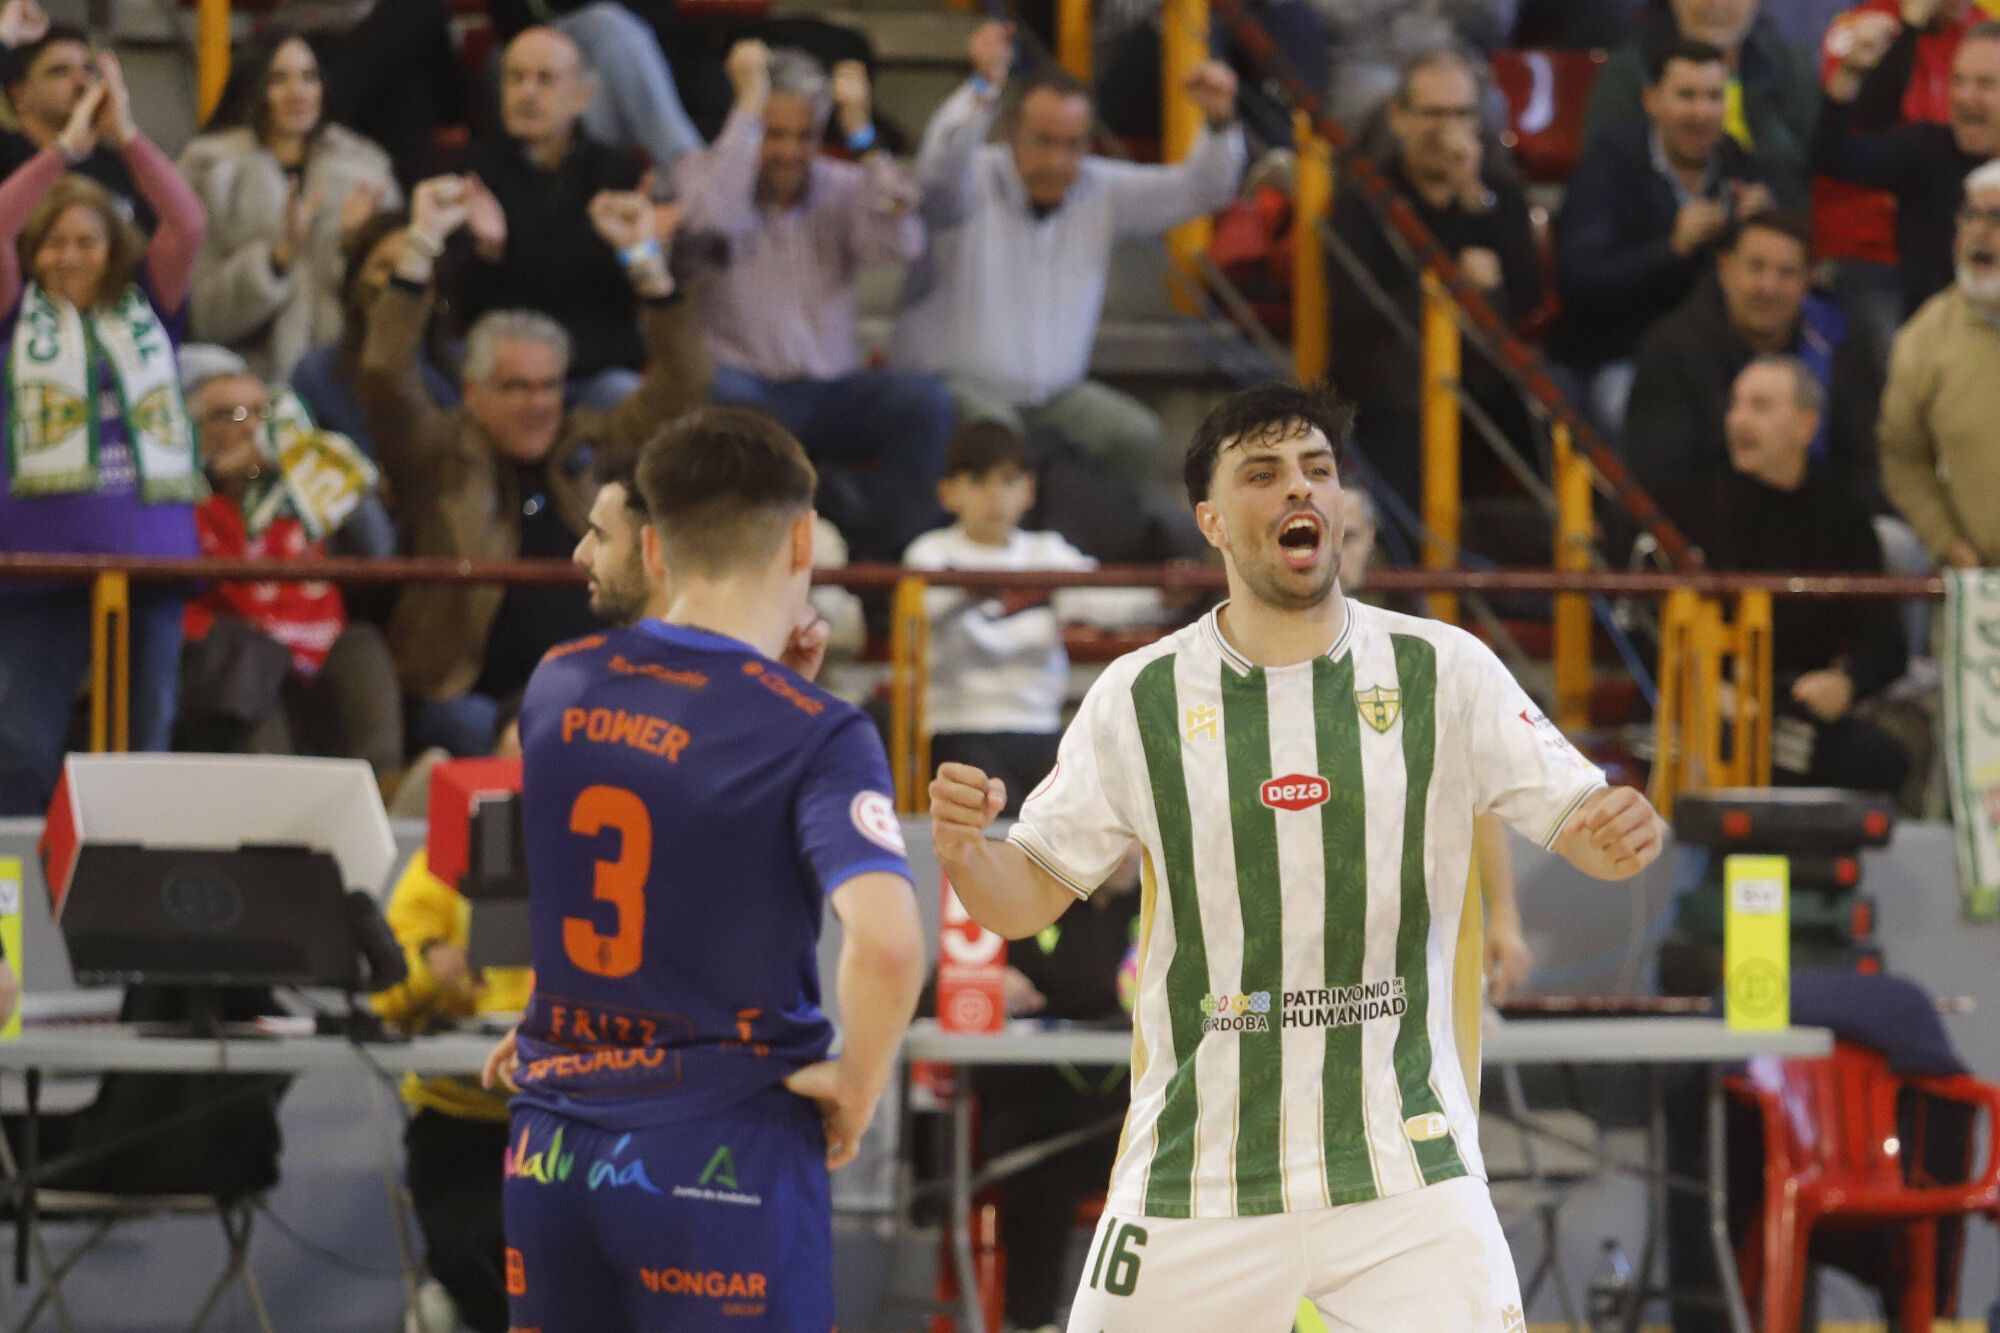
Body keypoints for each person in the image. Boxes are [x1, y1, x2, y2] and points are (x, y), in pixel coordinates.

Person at [930, 382, 1667, 1329]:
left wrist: (1620, 838)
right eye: (1264, 473)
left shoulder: (1444, 669)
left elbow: (1588, 832)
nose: (1298, 490)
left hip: (1407, 1168)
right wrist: (963, 850)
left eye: (1316, 470)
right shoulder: (1139, 695)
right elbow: (1022, 899)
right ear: (1211, 519)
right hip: (1197, 1169)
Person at [481, 407, 925, 1329]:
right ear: (803, 534)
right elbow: (886, 946)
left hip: (550, 1145)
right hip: (721, 1148)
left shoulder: (556, 680)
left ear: (653, 549)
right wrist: (858, 1085)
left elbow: (655, 784)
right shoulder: (816, 730)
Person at [360, 174, 708, 758]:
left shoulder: (591, 445)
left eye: (549, 386)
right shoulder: (437, 452)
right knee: (467, 730)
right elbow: (385, 377)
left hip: (600, 688)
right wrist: (422, 242)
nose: (538, 404)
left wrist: (645, 261)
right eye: (516, 388)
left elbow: (683, 386)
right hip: (469, 693)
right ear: (471, 391)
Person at [891, 22, 1246, 486]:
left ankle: (1102, 551)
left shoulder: (1098, 187)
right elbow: (937, 168)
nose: (1058, 161)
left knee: (1132, 435)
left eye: (1073, 144)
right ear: (1010, 131)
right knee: (999, 435)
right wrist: (983, 85)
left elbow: (1202, 190)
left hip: (1056, 396)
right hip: (952, 384)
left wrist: (1219, 123)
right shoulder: (968, 180)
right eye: (1044, 141)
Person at [0, 54, 206, 815]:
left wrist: (128, 136)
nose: (69, 254)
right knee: (20, 743)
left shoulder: (151, 303)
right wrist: (64, 151)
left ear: (113, 247)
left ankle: (127, 909)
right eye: (52, 241)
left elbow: (188, 221)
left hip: (146, 557)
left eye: (87, 239)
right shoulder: (14, 317)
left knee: (142, 744)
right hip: (34, 565)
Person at [674, 42, 953, 561]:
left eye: (803, 136)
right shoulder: (707, 172)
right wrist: (747, 113)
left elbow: (903, 245)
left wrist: (863, 137)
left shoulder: (844, 185)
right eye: (773, 134)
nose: (787, 151)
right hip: (742, 386)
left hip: (831, 389)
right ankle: (750, 558)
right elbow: (711, 223)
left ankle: (886, 561)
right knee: (722, 400)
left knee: (925, 403)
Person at [1661, 357, 1910, 794]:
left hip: (1795, 707)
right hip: (1707, 704)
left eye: (1760, 407)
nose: (1739, 420)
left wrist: (1847, 683)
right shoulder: (1690, 508)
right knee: (1726, 744)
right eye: (1735, 405)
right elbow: (1648, 623)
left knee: (1884, 758)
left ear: (1805, 427)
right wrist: (1702, 684)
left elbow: (1886, 642)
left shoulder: (1842, 514)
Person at [904, 422, 1163, 819]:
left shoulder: (1047, 552)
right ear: (948, 493)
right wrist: (975, 590)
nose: (994, 495)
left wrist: (1167, 592)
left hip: (1041, 728)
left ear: (1027, 490)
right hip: (957, 729)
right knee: (1003, 833)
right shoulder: (930, 553)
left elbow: (1106, 599)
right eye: (977, 481)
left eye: (1007, 481)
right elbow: (922, 616)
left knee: (1095, 829)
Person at [1329, 45, 1542, 520]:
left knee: (1557, 399)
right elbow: (1355, 310)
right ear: (1399, 118)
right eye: (1433, 113)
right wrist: (1447, 293)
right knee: (1406, 397)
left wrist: (1473, 202)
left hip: (1484, 371)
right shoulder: (1365, 195)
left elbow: (1528, 296)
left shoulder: (1496, 193)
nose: (1448, 129)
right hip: (1391, 373)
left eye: (1462, 113)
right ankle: (1409, 562)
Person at [175, 346, 403, 781]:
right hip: (236, 674)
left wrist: (339, 476)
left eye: (261, 412)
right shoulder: (183, 500)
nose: (253, 429)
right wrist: (217, 478)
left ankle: (389, 796)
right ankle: (276, 807)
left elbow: (379, 554)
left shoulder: (303, 493)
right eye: (231, 415)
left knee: (362, 646)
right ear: (194, 430)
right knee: (255, 663)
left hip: (316, 667)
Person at [1553, 37, 1784, 429]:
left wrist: (1766, 227)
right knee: (1629, 414)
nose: (1701, 112)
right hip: (1621, 355)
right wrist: (1670, 250)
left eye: (1713, 96)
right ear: (1651, 100)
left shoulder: (1739, 164)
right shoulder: (1609, 164)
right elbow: (1578, 280)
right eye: (1686, 96)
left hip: (1721, 356)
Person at [374, 789, 536, 1333]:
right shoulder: (438, 869)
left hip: (571, 1120)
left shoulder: (611, 859)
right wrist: (431, 972)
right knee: (472, 1256)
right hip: (458, 1117)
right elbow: (383, 997)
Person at [177, 33, 399, 382]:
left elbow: (392, 311)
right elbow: (203, 317)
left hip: (344, 377)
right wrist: (277, 259)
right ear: (252, 87)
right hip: (246, 380)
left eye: (309, 78)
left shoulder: (365, 172)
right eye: (278, 79)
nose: (297, 92)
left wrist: (354, 244)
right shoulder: (211, 172)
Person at [1621, 210, 1884, 505]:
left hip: (1824, 520)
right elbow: (1662, 478)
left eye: (1787, 273)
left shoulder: (1842, 343)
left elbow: (1864, 465)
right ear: (1725, 268)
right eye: (1755, 267)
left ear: (1808, 280)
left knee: (1895, 542)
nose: (1768, 288)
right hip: (1710, 524)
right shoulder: (1672, 348)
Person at [451, 27, 647, 409]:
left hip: (592, 368)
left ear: (583, 95)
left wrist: (639, 248)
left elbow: (628, 295)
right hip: (498, 370)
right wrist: (487, 251)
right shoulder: (469, 172)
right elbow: (456, 302)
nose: (527, 92)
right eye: (516, 77)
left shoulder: (619, 174)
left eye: (545, 79)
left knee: (626, 397)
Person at [1812, 0, 1998, 358]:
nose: (1964, 97)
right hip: (1932, 348)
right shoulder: (1925, 149)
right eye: (1958, 81)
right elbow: (1836, 156)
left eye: (1985, 84)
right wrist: (1848, 79)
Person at [1877, 157, 2000, 568]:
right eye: (1971, 216)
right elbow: (1903, 457)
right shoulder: (1924, 338)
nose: (1980, 233)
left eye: (1997, 217)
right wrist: (1948, 544)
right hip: (1977, 583)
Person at [1581, 0, 1821, 203]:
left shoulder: (1791, 67)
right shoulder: (1631, 69)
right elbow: (1604, 179)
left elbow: (1819, 169)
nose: (1715, 5)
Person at [290, 210, 459, 465]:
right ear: (357, 279)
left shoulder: (461, 372)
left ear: (435, 291)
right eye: (384, 267)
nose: (396, 285)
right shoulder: (316, 376)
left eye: (411, 271)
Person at [0, 16, 153, 230]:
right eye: (60, 71)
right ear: (18, 95)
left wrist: (126, 136)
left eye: (88, 69)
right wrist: (4, 37)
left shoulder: (115, 166)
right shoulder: (6, 154)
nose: (82, 82)